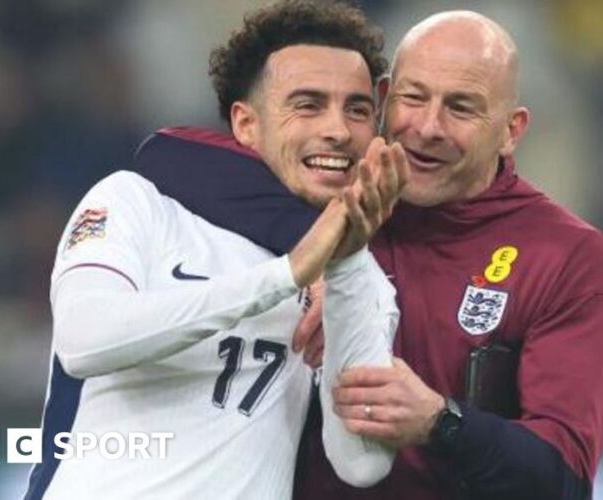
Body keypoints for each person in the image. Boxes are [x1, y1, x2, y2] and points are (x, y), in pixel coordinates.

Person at [24, 2, 408, 499]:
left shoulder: (362, 281)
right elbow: (84, 340)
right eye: (308, 104)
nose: (337, 129)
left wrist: (347, 263)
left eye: (357, 109)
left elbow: (361, 463)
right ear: (246, 124)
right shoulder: (137, 201)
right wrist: (286, 276)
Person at [292, 11, 603, 500]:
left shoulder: (565, 255)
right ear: (384, 99)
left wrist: (438, 421)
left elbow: (564, 479)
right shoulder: (315, 206)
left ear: (511, 130)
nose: (428, 127)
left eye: (461, 107)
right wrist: (303, 270)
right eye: (414, 97)